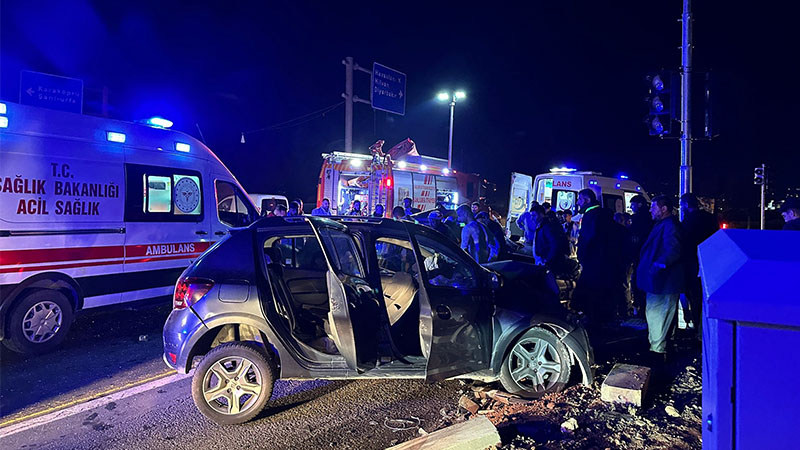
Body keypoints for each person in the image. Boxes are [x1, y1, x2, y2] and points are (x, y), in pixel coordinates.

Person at [637, 195, 685, 363]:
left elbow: (673, 250)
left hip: (662, 283)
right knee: (659, 315)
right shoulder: (666, 224)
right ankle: (659, 349)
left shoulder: (669, 226)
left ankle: (657, 353)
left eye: (653, 207)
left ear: (663, 209)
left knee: (657, 315)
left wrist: (657, 266)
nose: (650, 210)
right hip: (661, 282)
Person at [571, 189, 621, 338]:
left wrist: (581, 255)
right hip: (606, 263)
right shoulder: (606, 215)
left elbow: (588, 238)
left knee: (590, 294)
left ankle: (591, 324)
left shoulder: (591, 216)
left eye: (579, 200)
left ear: (587, 200)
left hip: (593, 262)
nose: (578, 203)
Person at [679, 193, 719, 337]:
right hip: (709, 262)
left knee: (694, 296)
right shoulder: (710, 218)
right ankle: (705, 328)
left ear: (686, 205)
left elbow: (684, 242)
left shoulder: (688, 221)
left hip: (692, 262)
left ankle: (697, 328)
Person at [628, 195, 654, 316]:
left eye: (632, 205)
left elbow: (633, 237)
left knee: (638, 282)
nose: (631, 207)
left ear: (639, 204)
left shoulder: (637, 219)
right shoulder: (650, 219)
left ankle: (640, 308)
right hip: (646, 255)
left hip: (639, 255)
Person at [531, 205, 570, 273]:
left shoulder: (547, 227)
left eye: (534, 215)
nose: (532, 218)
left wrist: (547, 260)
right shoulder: (541, 226)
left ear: (541, 214)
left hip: (546, 262)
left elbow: (554, 244)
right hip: (543, 260)